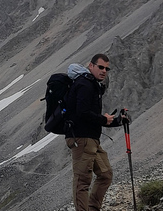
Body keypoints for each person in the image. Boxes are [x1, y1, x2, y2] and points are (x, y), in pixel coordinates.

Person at [64, 53, 123, 211]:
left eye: (106, 68)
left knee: (105, 175)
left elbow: (93, 118)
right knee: (82, 181)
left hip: (91, 140)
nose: (104, 71)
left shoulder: (93, 86)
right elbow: (82, 113)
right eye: (100, 67)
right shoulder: (85, 84)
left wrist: (117, 121)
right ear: (91, 66)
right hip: (82, 140)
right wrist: (103, 120)